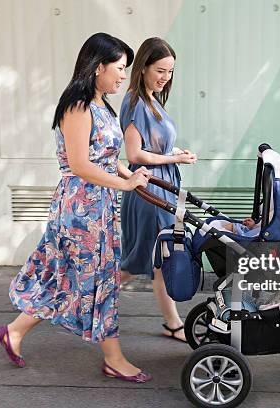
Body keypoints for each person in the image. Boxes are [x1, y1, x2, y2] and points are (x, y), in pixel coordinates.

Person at [0, 33, 153, 383]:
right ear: (99, 67)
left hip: (99, 206)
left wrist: (133, 174)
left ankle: (14, 332)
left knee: (72, 277)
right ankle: (113, 357)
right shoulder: (78, 106)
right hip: (81, 209)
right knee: (95, 279)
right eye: (120, 68)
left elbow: (106, 159)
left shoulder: (102, 106)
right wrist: (125, 184)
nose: (124, 75)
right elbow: (81, 164)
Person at [118, 37, 197, 342]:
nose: (166, 77)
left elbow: (153, 145)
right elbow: (136, 154)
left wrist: (176, 151)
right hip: (149, 193)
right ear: (143, 68)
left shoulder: (151, 101)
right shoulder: (136, 103)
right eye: (161, 70)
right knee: (153, 258)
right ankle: (173, 323)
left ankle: (86, 302)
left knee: (146, 259)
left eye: (170, 72)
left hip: (161, 188)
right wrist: (175, 157)